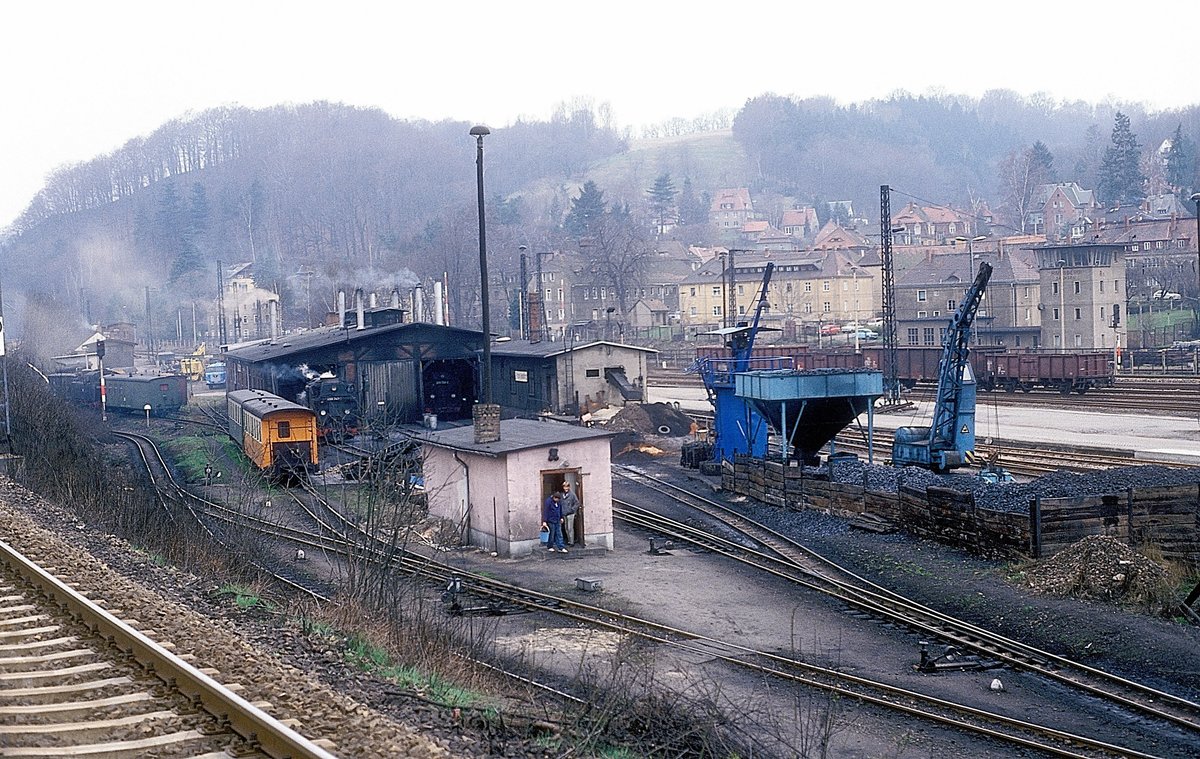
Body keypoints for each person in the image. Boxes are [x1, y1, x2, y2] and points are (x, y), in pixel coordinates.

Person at [559, 480, 580, 547]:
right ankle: (569, 540)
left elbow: (577, 503)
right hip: (564, 513)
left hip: (570, 513)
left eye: (567, 487)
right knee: (566, 528)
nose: (565, 488)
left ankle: (571, 542)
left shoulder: (572, 494)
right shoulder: (562, 495)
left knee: (570, 528)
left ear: (569, 487)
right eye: (564, 487)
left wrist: (572, 509)